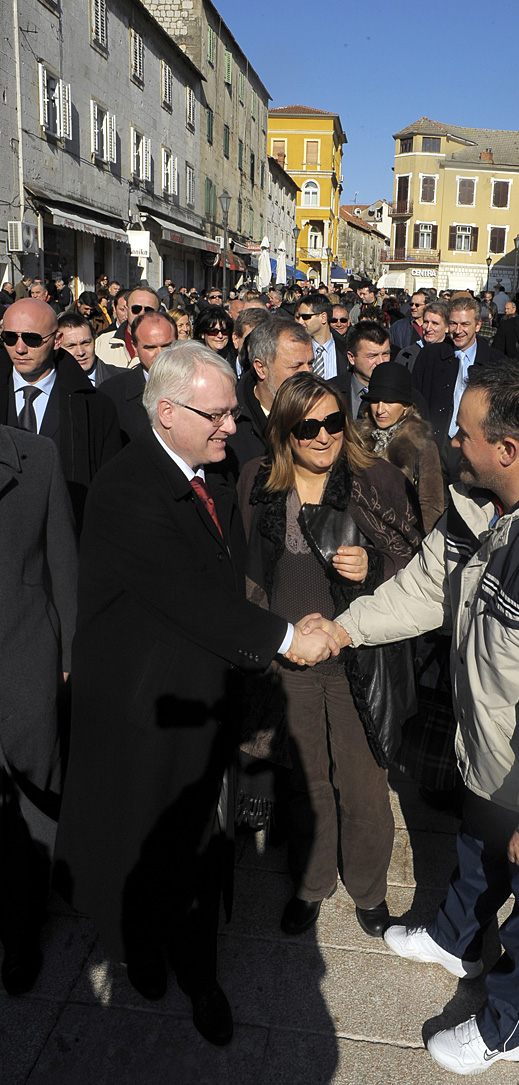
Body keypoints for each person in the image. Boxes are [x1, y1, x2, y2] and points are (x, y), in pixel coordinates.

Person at [302, 361, 519, 1076]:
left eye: (465, 433)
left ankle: (508, 1026)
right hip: (498, 748)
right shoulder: (481, 498)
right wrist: (345, 628)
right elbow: (429, 586)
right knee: (476, 850)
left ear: (510, 449)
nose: (452, 444)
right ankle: (457, 936)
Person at [54, 342, 336, 1045]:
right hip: (146, 709)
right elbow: (188, 595)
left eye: (232, 410)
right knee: (147, 841)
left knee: (203, 847)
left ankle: (200, 971)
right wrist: (283, 638)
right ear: (169, 412)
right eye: (216, 413)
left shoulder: (212, 465)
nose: (230, 424)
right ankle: (143, 953)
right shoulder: (128, 486)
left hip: (200, 693)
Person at [238, 372, 423, 939]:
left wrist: (374, 564)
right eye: (308, 427)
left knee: (364, 782)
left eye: (333, 423)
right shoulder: (257, 480)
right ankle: (312, 884)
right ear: (285, 433)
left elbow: (421, 566)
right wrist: (274, 636)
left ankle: (367, 890)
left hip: (357, 662)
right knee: (307, 780)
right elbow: (246, 573)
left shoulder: (378, 480)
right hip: (290, 659)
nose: (323, 437)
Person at [0, 425, 77, 996]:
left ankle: (23, 929)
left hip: (25, 659)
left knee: (32, 803)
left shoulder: (37, 455)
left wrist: (71, 656)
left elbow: (62, 563)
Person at [0, 298, 121, 525]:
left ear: (57, 340)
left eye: (32, 339)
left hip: (68, 537)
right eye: (9, 337)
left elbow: (110, 489)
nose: (19, 348)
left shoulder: (96, 407)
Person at [356, 361, 444, 532]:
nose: (380, 409)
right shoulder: (357, 437)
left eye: (388, 401)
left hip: (402, 539)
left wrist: (417, 546)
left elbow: (431, 505)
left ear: (405, 406)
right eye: (375, 401)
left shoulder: (422, 446)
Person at [412, 296, 505, 452]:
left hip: (476, 448)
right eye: (454, 324)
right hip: (434, 445)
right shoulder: (429, 356)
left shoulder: (496, 362)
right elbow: (415, 399)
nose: (458, 330)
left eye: (465, 324)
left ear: (477, 326)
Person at [229, 318, 314, 468]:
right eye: (296, 366)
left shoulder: (327, 413)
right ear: (261, 368)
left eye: (310, 364)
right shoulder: (231, 426)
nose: (307, 373)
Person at [100, 311, 177, 444]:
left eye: (166, 346)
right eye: (150, 347)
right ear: (135, 348)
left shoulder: (200, 385)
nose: (160, 354)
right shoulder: (112, 392)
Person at [334, 321, 392, 419]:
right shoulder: (332, 391)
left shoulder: (405, 392)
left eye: (385, 354)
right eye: (372, 356)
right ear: (351, 358)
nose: (380, 362)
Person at [95, 286, 161, 368]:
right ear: (127, 309)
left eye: (148, 310)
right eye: (136, 309)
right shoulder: (102, 343)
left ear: (158, 313)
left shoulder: (165, 348)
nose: (141, 314)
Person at [56, 313, 120, 387]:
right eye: (71, 346)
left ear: (94, 340)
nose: (80, 352)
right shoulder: (48, 383)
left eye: (85, 343)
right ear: (57, 346)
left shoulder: (121, 379)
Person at [295, 292, 349, 379]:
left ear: (323, 317)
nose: (300, 322)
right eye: (299, 317)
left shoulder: (346, 349)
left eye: (305, 317)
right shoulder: (296, 349)